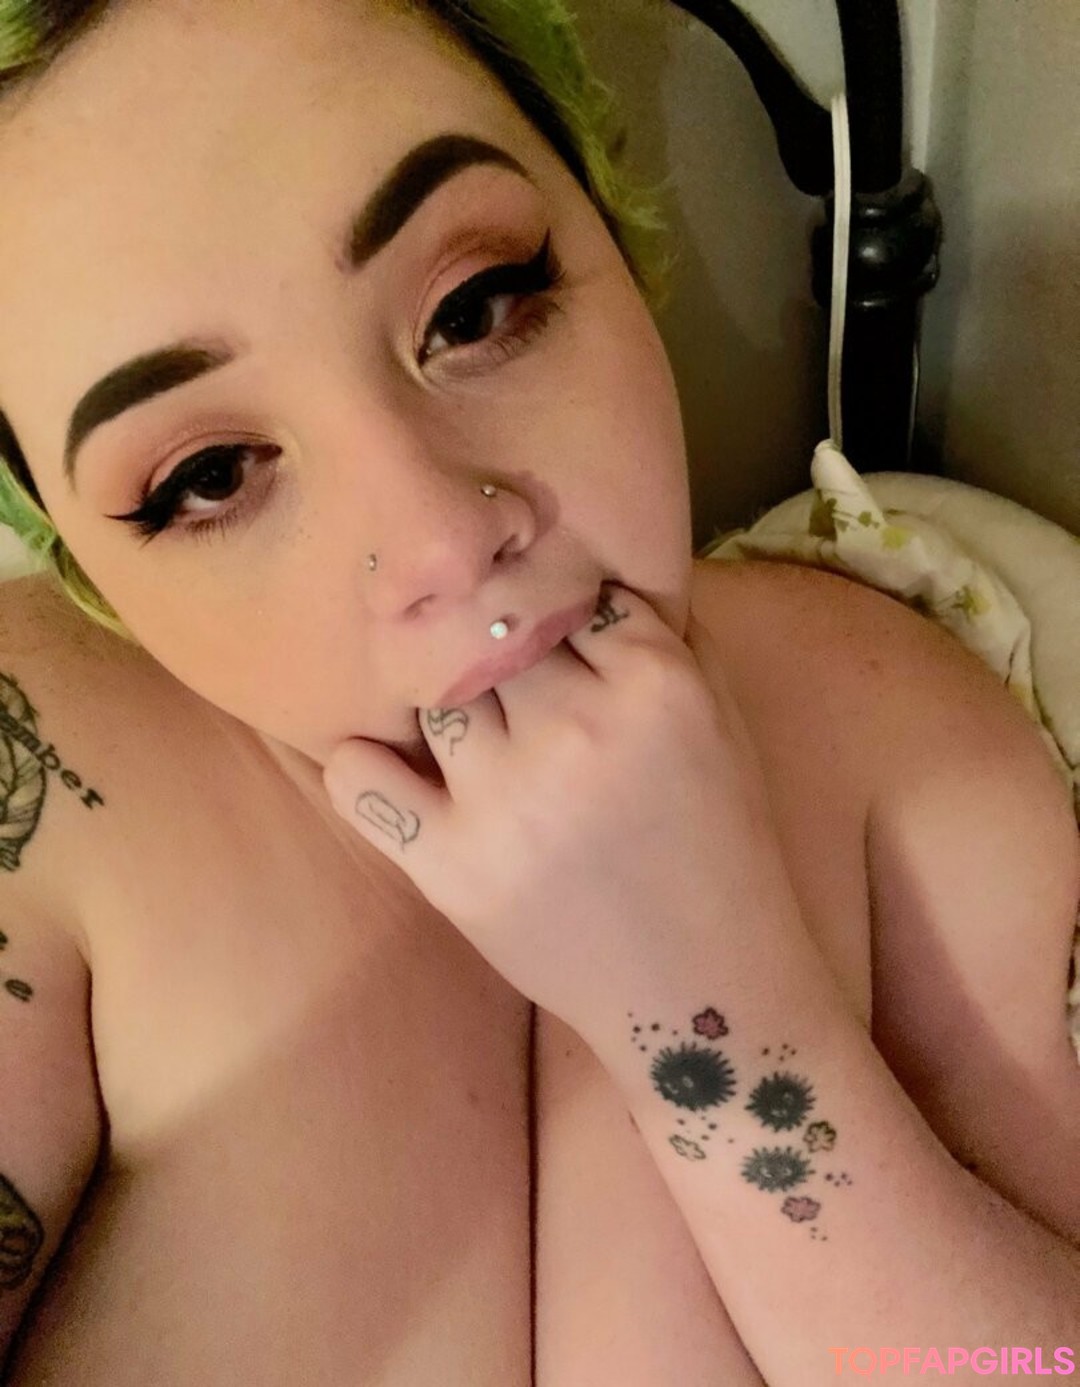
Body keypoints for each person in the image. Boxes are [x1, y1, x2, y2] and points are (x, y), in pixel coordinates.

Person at [0, 0, 1076, 1382]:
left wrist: (721, 1013)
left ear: (610, 229)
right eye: (207, 478)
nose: (445, 545)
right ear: (79, 560)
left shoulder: (884, 716)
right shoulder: (46, 792)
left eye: (475, 308)